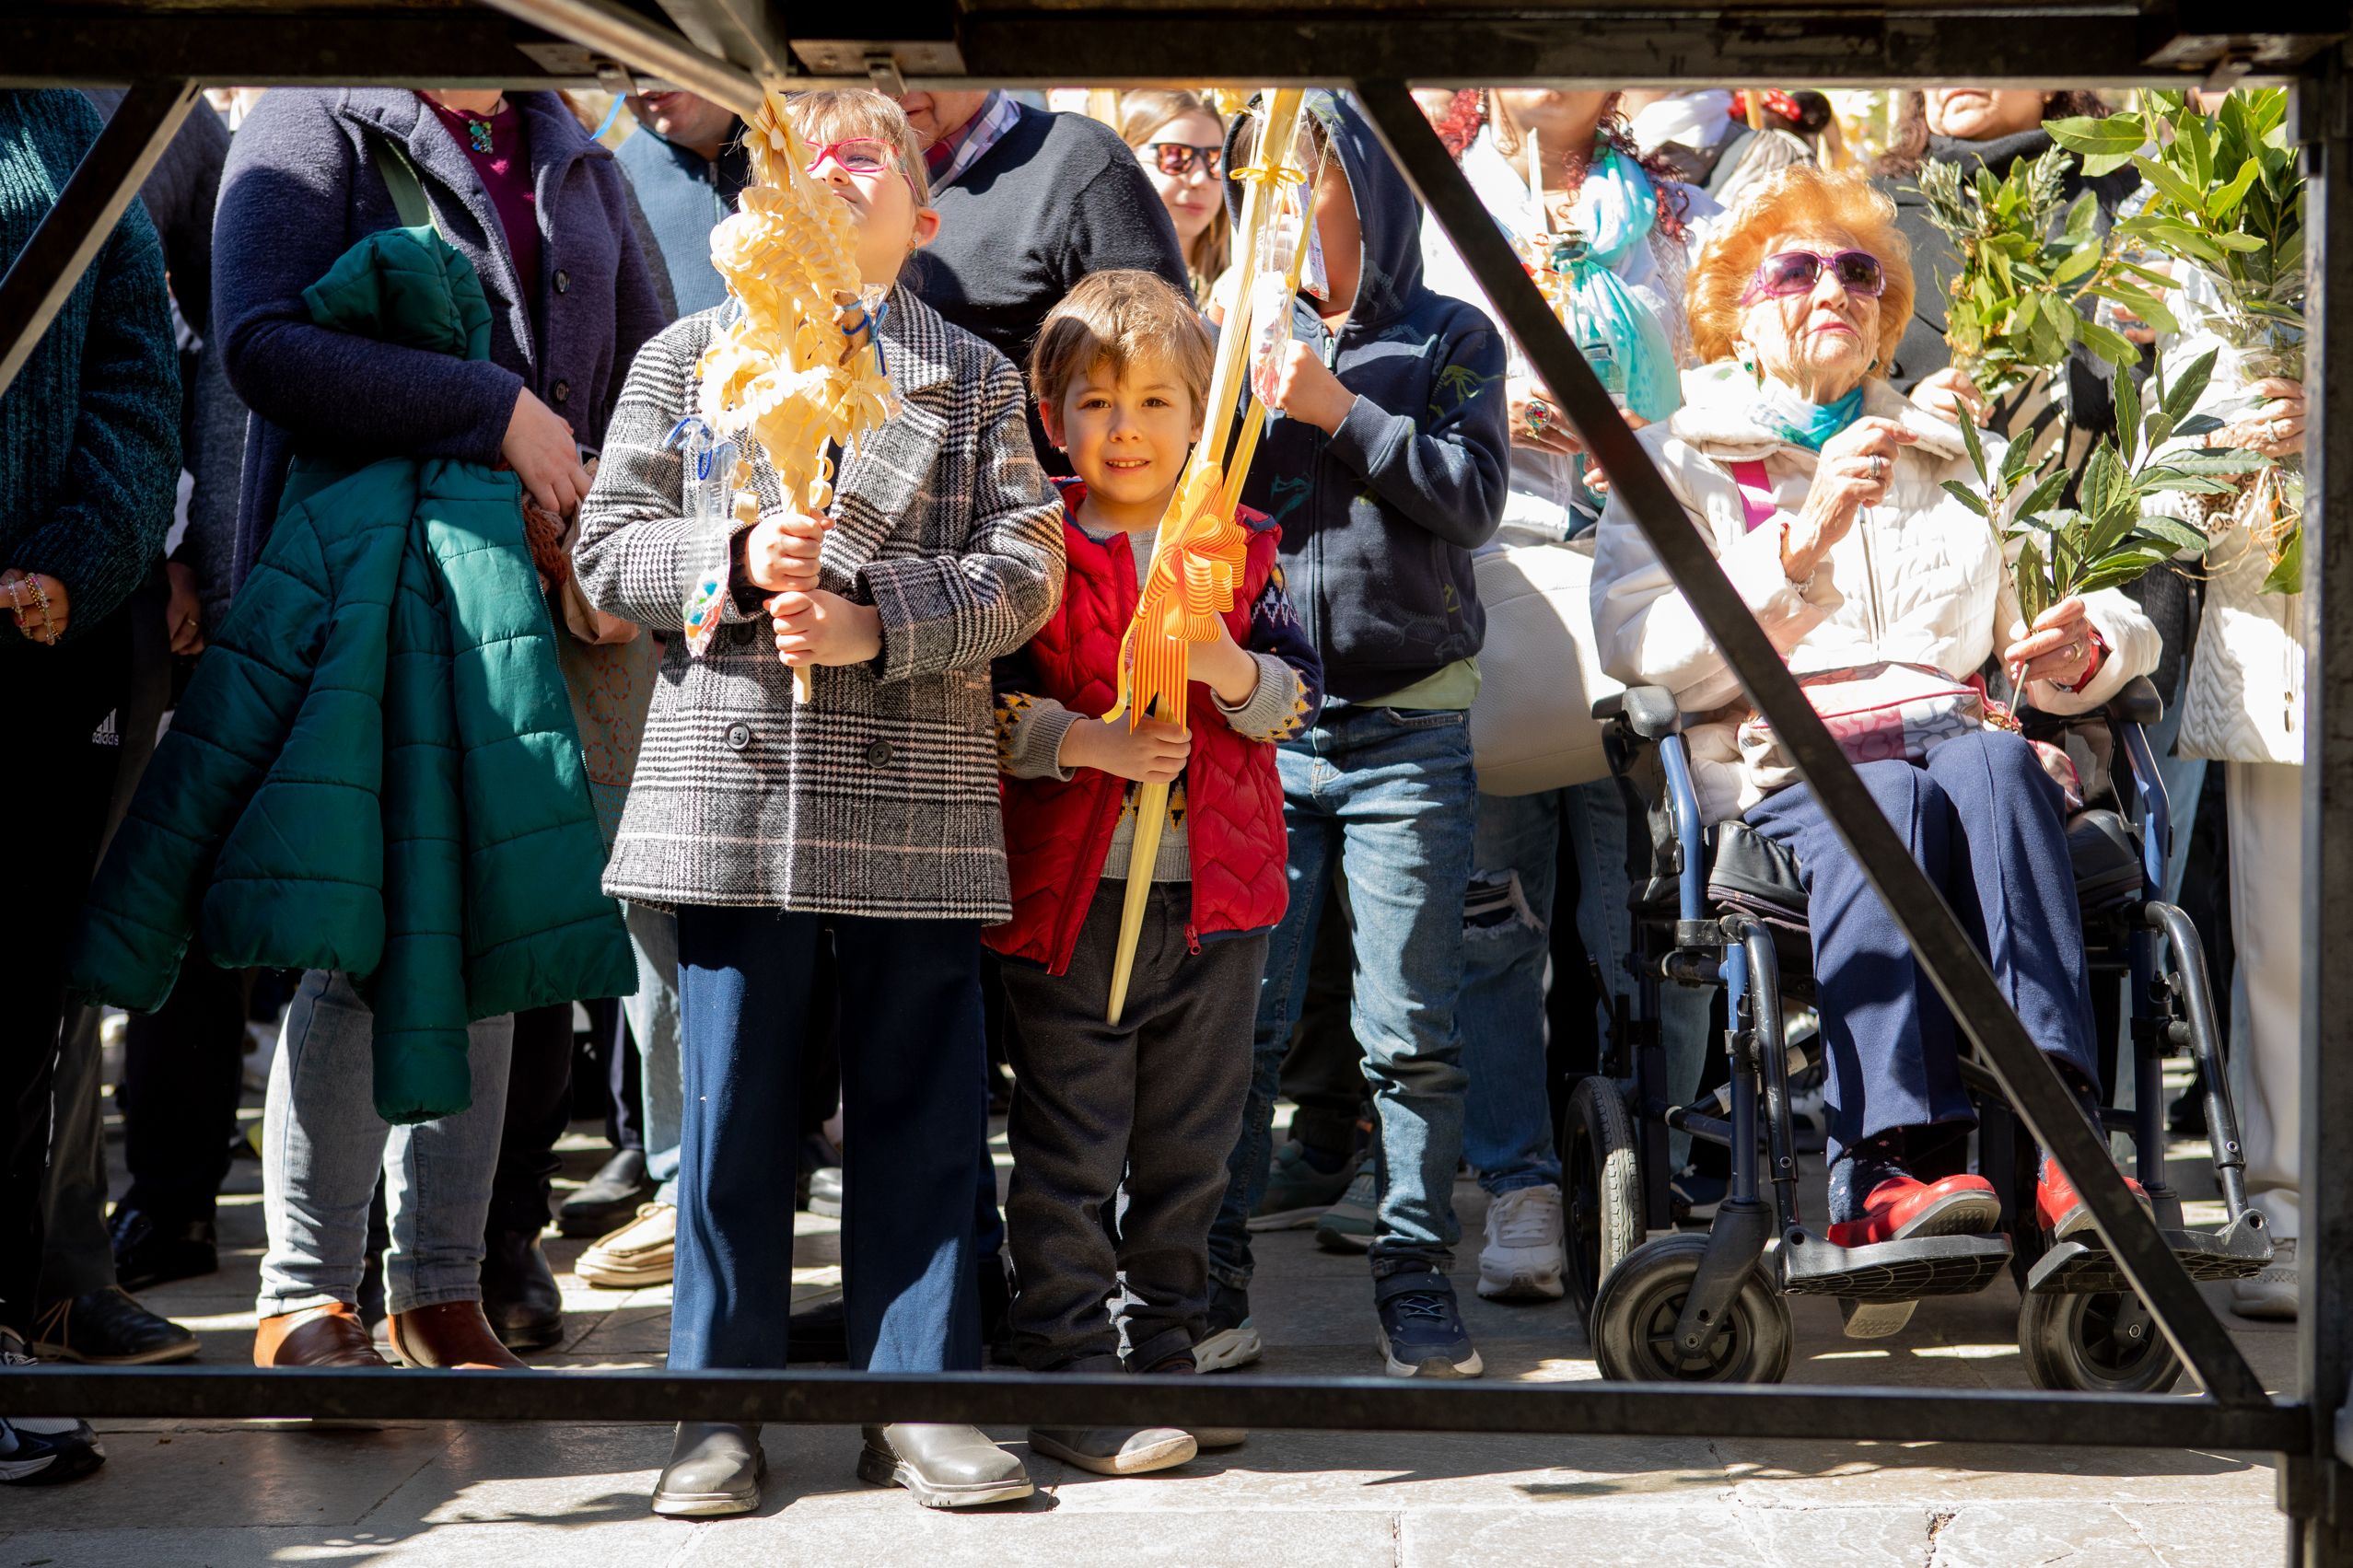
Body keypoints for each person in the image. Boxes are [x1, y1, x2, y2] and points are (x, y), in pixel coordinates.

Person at [574, 87, 1062, 1517]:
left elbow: (1023, 565)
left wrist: (881, 617)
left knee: (920, 1103)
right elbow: (609, 547)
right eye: (799, 157)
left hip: (906, 785)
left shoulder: (968, 377)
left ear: (922, 215)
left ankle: (921, 1391)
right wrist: (723, 551)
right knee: (727, 1116)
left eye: (868, 157)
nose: (832, 174)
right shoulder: (686, 357)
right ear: (753, 204)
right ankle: (713, 1406)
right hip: (729, 781)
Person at [1590, 166, 2160, 1272]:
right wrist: (1792, 548)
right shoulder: (1680, 462)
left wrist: (2092, 646)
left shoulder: (1957, 458)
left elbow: (2089, 608)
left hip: (1960, 745)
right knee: (1884, 788)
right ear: (1735, 309)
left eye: (1858, 273)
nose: (1831, 291)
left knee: (1998, 765)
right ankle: (1888, 1167)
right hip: (1785, 769)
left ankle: (2065, 1143)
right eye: (1793, 270)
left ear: (1888, 314)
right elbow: (1640, 652)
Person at [201, 81, 664, 1371]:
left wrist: (609, 546)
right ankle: (303, 1294)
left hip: (540, 602)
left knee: (500, 936)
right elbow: (261, 343)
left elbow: (650, 371)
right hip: (375, 595)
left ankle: (439, 1288)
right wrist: (493, 411)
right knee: (364, 939)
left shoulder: (571, 140)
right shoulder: (308, 117)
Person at [989, 270, 1322, 1471]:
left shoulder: (1233, 547)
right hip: (1074, 897)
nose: (1123, 427)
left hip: (1214, 896)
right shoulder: (1030, 548)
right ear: (1050, 411)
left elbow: (1292, 698)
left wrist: (1222, 661)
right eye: (1093, 401)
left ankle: (1162, 1347)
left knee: (1191, 1138)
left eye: (1153, 401)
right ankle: (1068, 1366)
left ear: (1199, 417)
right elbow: (984, 709)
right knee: (1073, 1136)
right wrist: (1086, 740)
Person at [1200, 90, 1509, 1381]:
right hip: (1254, 721)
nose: (1271, 198)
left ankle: (1411, 1273)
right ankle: (1201, 1279)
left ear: (1358, 187)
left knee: (1408, 1028)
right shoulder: (1214, 333)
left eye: (1299, 171)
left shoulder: (1447, 333)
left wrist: (1337, 407)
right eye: (1248, 178)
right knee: (1238, 1023)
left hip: (1403, 722)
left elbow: (1474, 496)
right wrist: (1226, 384)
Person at [1410, 87, 1718, 1298]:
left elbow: (1731, 374)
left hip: (1638, 571)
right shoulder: (1434, 201)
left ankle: (1650, 1162)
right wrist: (1483, 408)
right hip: (1491, 570)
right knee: (1492, 908)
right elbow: (1378, 365)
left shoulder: (1669, 211)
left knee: (1648, 896)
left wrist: (1638, 421)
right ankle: (1522, 1187)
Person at [34, 86, 237, 1369]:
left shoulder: (145, 113)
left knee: (62, 955)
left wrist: (166, 547)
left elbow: (178, 360)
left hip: (95, 596)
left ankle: (54, 1273)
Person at [0, 86, 182, 1489]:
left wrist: (78, 553)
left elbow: (135, 371)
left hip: (38, 641)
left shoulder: (76, 126)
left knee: (26, 1012)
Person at [2155, 273, 2309, 1318]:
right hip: (2278, 623)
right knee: (2281, 939)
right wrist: (2220, 458)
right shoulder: (2208, 242)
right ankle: (2288, 1207)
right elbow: (2164, 458)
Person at [893, 86, 1190, 470]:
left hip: (1044, 517)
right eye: (865, 54)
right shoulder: (823, 177)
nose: (893, 84)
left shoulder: (1080, 162)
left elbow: (1166, 372)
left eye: (921, 53)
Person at [614, 88, 748, 317]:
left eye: (664, 57)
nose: (646, 87)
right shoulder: (612, 182)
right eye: (629, 62)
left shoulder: (815, 146)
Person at [1116, 90, 1229, 304]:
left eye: (1215, 159)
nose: (1200, 179)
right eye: (1174, 156)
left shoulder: (1244, 282)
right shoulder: (1099, 291)